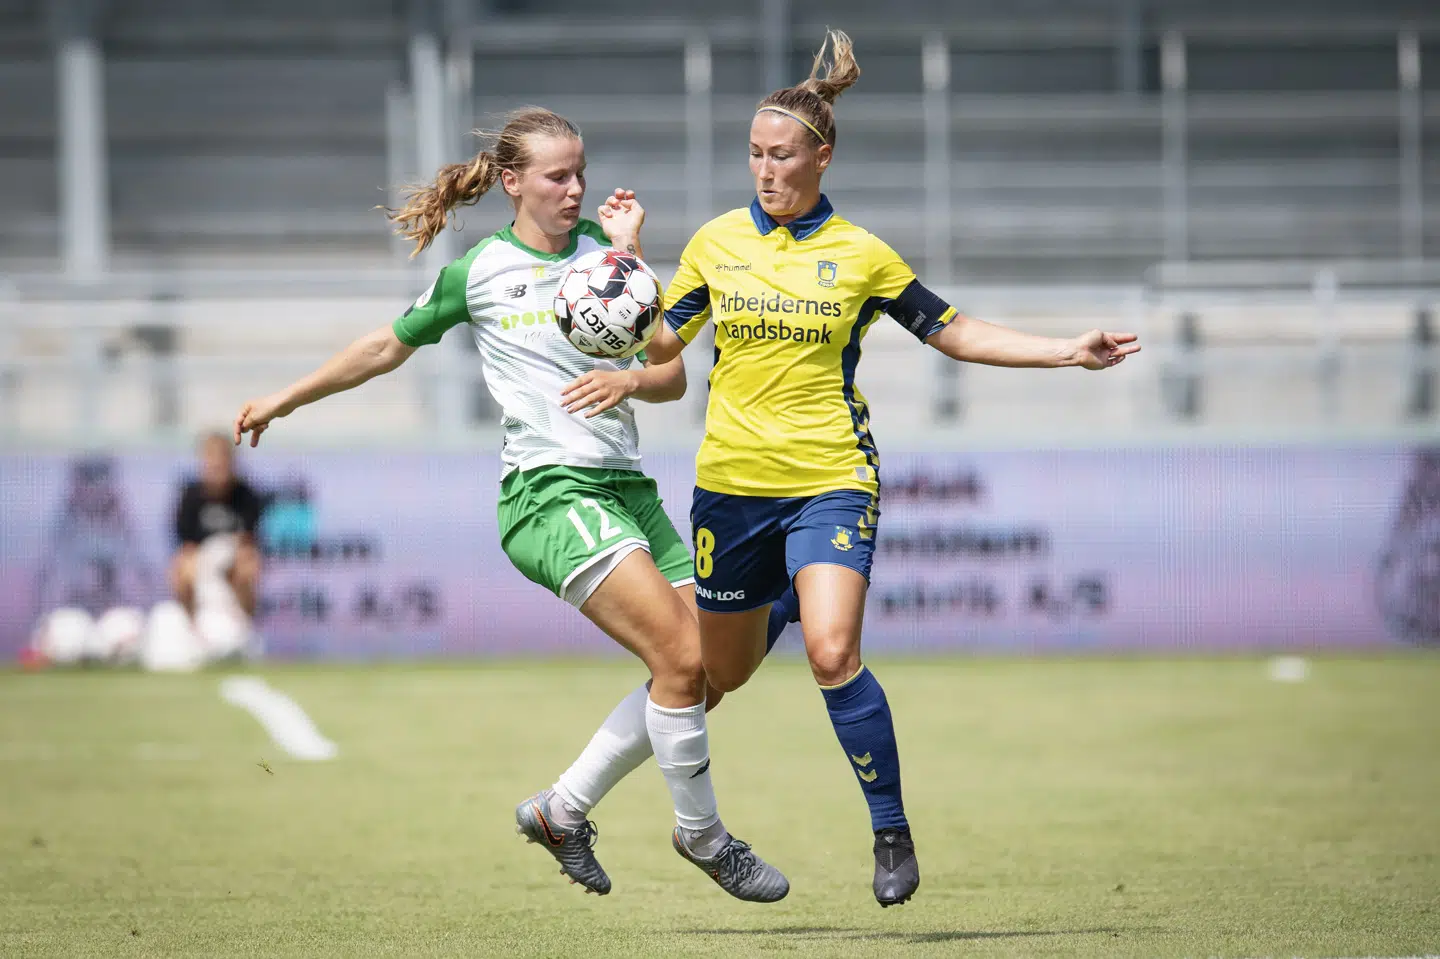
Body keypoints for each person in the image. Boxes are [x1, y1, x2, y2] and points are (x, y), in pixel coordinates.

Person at [231, 108, 789, 903]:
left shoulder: (607, 255)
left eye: (581, 172)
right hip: (546, 492)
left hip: (625, 487)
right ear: (512, 181)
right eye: (558, 175)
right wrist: (287, 398)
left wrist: (630, 278)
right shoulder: (482, 271)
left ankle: (563, 809)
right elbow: (388, 344)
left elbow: (670, 376)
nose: (576, 189)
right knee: (683, 659)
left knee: (713, 673)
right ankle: (703, 836)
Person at [642, 30, 1142, 907]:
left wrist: (1067, 351)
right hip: (729, 489)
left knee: (834, 653)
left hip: (832, 476)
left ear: (821, 157)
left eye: (782, 155)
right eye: (754, 154)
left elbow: (951, 329)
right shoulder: (716, 243)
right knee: (720, 676)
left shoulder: (865, 254)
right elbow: (662, 349)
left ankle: (890, 830)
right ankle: (787, 598)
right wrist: (619, 282)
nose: (765, 170)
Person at [171, 432, 264, 618]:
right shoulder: (191, 495)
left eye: (221, 460)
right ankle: (191, 626)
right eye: (211, 460)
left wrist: (228, 554)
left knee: (248, 566)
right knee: (181, 568)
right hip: (201, 557)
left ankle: (244, 623)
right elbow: (186, 542)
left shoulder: (246, 495)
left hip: (233, 556)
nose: (217, 466)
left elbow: (248, 540)